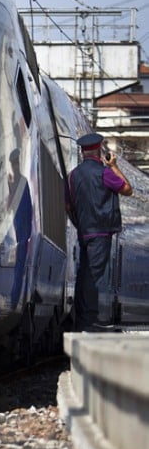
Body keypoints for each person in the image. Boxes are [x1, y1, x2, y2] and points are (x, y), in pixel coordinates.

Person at [66, 132, 133, 330]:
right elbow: (127, 189)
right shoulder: (104, 173)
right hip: (101, 232)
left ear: (83, 151)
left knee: (85, 273)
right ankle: (88, 321)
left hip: (84, 232)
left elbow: (68, 207)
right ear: (98, 150)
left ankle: (83, 319)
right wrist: (113, 165)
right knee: (93, 276)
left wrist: (81, 225)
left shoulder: (73, 176)